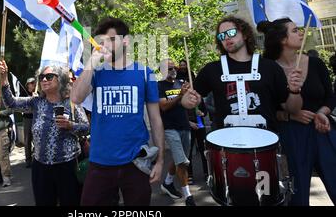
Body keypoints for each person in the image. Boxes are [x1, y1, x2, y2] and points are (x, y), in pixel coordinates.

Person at [71, 17, 165, 206]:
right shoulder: (96, 73)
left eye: (112, 40)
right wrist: (91, 62)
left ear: (126, 41)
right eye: (103, 40)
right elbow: (76, 98)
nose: (107, 45)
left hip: (136, 162)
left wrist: (161, 160)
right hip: (100, 162)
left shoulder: (145, 73)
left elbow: (156, 120)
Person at [257, 18, 336, 206]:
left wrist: (322, 113)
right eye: (295, 30)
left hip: (323, 130)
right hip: (291, 135)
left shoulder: (316, 63)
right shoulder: (267, 69)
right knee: (297, 194)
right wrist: (290, 115)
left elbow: (331, 96)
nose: (301, 33)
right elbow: (266, 108)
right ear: (282, 39)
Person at [182, 16, 303, 133]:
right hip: (227, 146)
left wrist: (295, 91)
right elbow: (188, 100)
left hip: (266, 144)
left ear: (245, 35)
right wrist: (189, 100)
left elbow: (293, 109)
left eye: (232, 32)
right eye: (222, 36)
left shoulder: (270, 67)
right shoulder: (212, 69)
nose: (227, 38)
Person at [0, 62, 89, 206]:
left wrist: (71, 126)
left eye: (49, 76)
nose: (44, 80)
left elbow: (86, 128)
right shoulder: (36, 102)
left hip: (67, 166)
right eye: (41, 77)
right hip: (41, 166)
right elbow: (11, 103)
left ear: (61, 79)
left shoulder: (72, 102)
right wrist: (4, 78)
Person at [158, 59, 196, 206]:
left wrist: (191, 98)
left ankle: (167, 183)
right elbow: (164, 107)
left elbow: (187, 105)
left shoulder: (181, 83)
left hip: (184, 125)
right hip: (170, 127)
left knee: (180, 159)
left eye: (173, 68)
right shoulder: (159, 86)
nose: (173, 70)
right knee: (181, 161)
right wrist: (180, 95)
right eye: (169, 68)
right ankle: (188, 196)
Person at [21, 77, 36, 168]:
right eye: (31, 83)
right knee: (27, 140)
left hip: (36, 117)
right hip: (27, 118)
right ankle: (28, 160)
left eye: (34, 83)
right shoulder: (23, 94)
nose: (33, 84)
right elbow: (22, 107)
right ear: (27, 84)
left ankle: (36, 158)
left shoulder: (38, 93)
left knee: (37, 139)